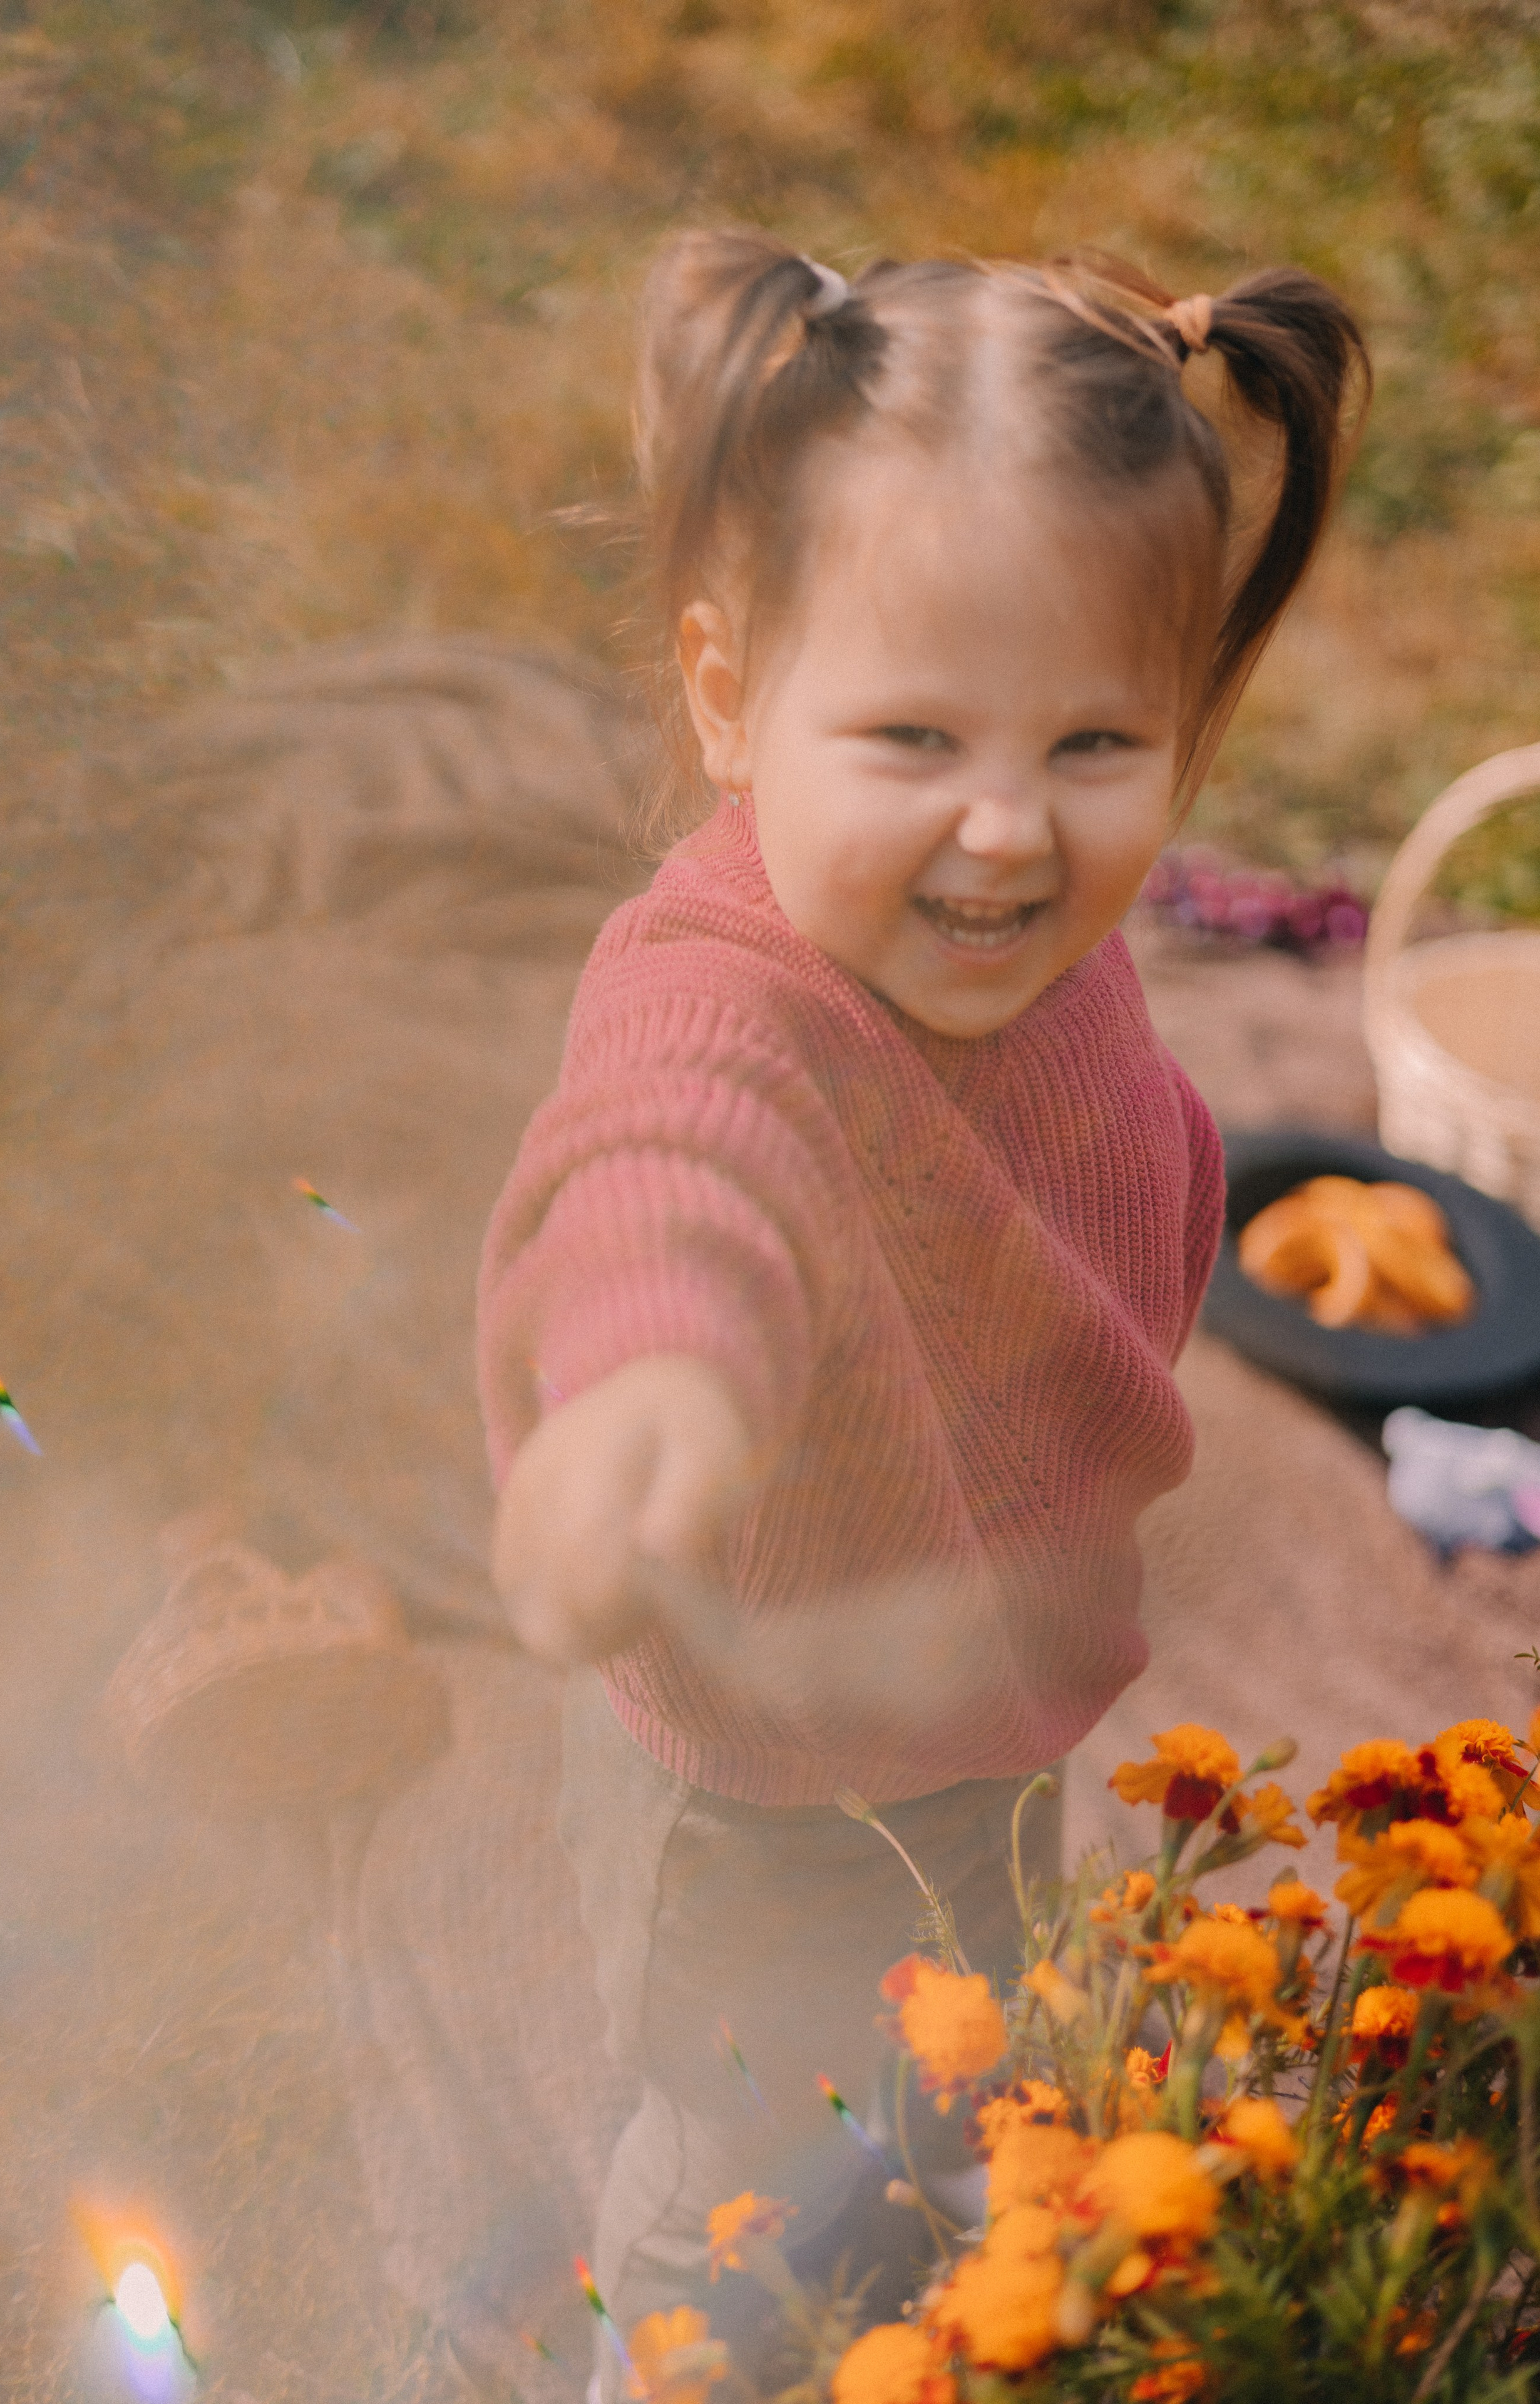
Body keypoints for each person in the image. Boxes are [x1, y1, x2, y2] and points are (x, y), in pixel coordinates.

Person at [476, 231, 1369, 2385]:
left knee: (961, 2039)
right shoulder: (733, 999)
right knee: (737, 2201)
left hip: (987, 1690)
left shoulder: (1040, 940)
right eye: (908, 736)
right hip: (771, 1786)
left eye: (1094, 742)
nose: (1003, 828)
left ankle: (947, 2205)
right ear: (724, 695)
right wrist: (651, 1378)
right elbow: (667, 1166)